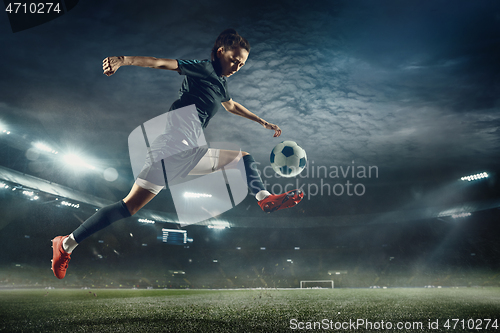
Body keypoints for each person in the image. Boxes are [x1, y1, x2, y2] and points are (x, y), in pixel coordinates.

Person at [51, 29, 304, 279]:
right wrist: (123, 60)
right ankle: (264, 197)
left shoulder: (221, 83)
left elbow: (231, 105)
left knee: (128, 207)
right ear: (220, 52)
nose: (237, 66)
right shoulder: (203, 68)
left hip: (179, 154)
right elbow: (161, 63)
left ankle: (65, 244)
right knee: (242, 158)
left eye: (241, 64)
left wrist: (262, 122)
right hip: (174, 148)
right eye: (233, 60)